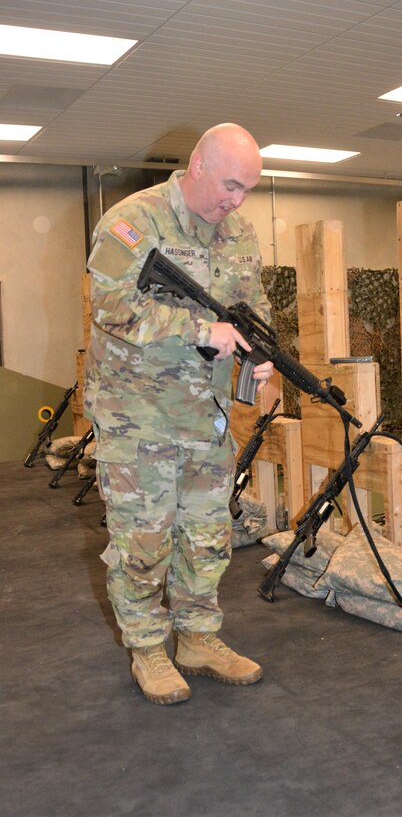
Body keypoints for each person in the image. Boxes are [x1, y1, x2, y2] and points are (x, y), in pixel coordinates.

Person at [84, 123, 274, 705]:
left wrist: (258, 359)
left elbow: (252, 306)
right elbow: (110, 305)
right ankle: (147, 649)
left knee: (207, 536)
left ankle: (197, 639)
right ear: (197, 166)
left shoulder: (239, 232)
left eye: (246, 190)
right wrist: (198, 330)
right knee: (143, 539)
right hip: (136, 415)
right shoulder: (135, 220)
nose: (236, 201)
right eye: (230, 185)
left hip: (207, 416)